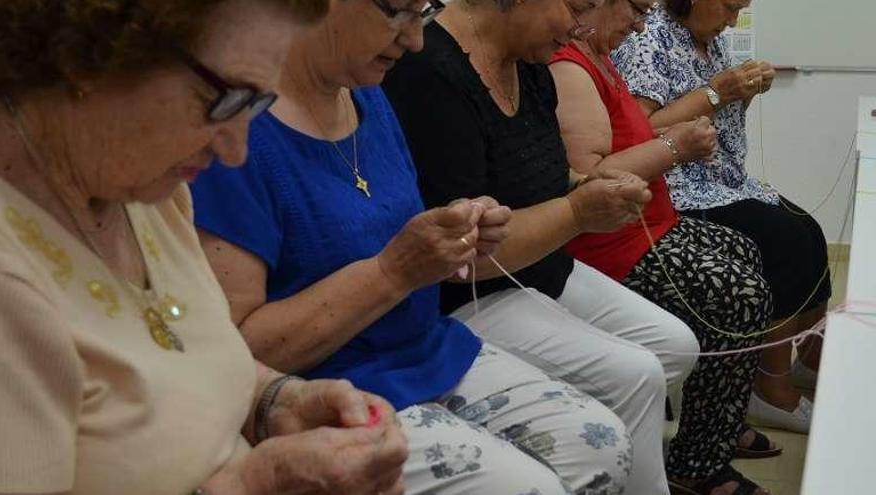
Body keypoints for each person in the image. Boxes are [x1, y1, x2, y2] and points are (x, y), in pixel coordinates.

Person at [190, 0, 648, 492]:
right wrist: (395, 271)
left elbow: (401, 235)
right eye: (398, 13)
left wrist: (456, 236)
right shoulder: (238, 135)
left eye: (424, 14)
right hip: (328, 387)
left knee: (601, 444)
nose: (414, 40)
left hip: (424, 349)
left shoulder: (367, 97)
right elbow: (238, 351)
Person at [0, 2, 409, 495]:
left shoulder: (146, 191)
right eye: (226, 100)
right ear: (90, 57)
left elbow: (178, 358)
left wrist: (276, 403)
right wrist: (258, 483)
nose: (236, 150)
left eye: (256, 106)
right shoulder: (11, 283)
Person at [381, 0, 705, 492]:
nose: (579, 26)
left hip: (540, 268)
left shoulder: (531, 66)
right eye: (576, 7)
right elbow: (463, 255)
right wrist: (579, 211)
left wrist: (586, 186)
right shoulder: (429, 76)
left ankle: (627, 467)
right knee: (635, 373)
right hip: (468, 297)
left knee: (674, 346)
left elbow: (543, 178)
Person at [549, 1, 780, 493]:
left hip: (650, 224)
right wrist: (676, 146)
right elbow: (590, 178)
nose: (638, 24)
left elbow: (638, 136)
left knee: (745, 253)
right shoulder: (570, 67)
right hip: (614, 244)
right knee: (738, 295)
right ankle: (697, 467)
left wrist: (677, 137)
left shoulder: (604, 58)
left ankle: (715, 424)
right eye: (634, 9)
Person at [612, 0, 828, 434]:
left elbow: (720, 115)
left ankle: (807, 357)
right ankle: (769, 386)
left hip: (724, 180)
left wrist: (741, 92)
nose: (733, 21)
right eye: (730, 8)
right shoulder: (648, 38)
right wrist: (717, 92)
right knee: (783, 239)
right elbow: (639, 129)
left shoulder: (709, 41)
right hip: (679, 190)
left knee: (809, 229)